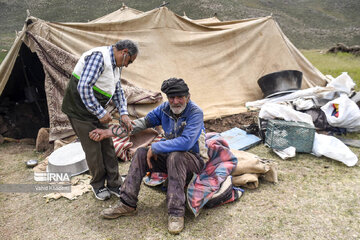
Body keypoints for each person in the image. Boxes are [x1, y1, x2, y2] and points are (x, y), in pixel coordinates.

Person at [89, 78, 208, 234]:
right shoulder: (164, 109)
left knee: (176, 156)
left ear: (188, 96)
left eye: (180, 97)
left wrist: (156, 146)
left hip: (193, 160)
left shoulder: (195, 112)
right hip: (171, 157)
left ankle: (176, 213)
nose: (176, 101)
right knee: (140, 153)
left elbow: (186, 143)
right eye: (172, 97)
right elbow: (140, 124)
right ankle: (127, 203)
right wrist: (108, 132)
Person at [61, 39, 138, 201]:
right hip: (79, 111)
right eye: (130, 61)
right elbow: (83, 86)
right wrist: (100, 111)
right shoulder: (99, 57)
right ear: (124, 53)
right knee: (93, 149)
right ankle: (98, 185)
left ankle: (114, 183)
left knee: (108, 145)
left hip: (96, 110)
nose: (128, 65)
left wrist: (123, 113)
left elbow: (117, 90)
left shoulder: (117, 64)